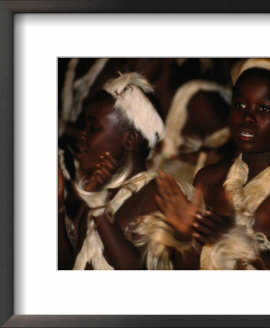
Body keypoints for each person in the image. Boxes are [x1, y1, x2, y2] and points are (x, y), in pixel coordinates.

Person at [156, 58, 270, 270]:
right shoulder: (208, 178)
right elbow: (188, 268)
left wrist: (248, 249)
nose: (248, 117)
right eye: (240, 105)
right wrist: (183, 235)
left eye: (265, 108)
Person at [58, 72, 198, 270]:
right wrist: (58, 206)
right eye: (84, 126)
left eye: (93, 127)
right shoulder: (92, 194)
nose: (81, 136)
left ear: (130, 139)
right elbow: (65, 265)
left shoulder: (154, 196)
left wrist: (99, 208)